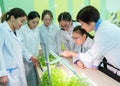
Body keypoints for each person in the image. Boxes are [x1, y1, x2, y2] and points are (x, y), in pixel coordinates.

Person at [62, 6, 120, 78]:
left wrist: (71, 53)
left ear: (89, 21)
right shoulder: (103, 28)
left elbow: (90, 57)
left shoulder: (103, 33)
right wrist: (95, 66)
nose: (82, 27)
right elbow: (100, 52)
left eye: (82, 24)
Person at [0, 8, 39, 86]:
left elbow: (22, 49)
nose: (22, 24)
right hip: (9, 73)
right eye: (21, 21)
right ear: (12, 18)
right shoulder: (2, 29)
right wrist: (2, 74)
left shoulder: (17, 32)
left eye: (24, 21)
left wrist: (31, 57)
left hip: (19, 71)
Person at [18, 11, 40, 86]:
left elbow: (37, 43)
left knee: (37, 79)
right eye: (33, 22)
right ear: (28, 20)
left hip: (35, 58)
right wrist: (30, 56)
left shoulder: (37, 29)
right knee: (29, 80)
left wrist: (37, 55)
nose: (35, 24)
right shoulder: (22, 30)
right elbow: (22, 47)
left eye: (37, 22)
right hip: (26, 60)